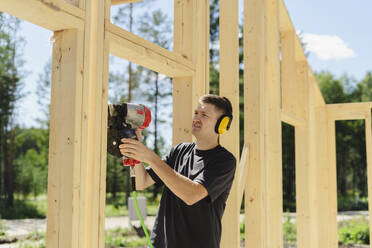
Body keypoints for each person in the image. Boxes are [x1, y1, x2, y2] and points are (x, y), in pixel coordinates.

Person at [119, 94, 237, 248]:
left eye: (204, 115)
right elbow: (142, 182)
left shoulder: (224, 161)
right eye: (196, 113)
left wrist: (151, 157)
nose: (196, 118)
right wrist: (136, 147)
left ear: (222, 124)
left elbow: (191, 195)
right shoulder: (179, 151)